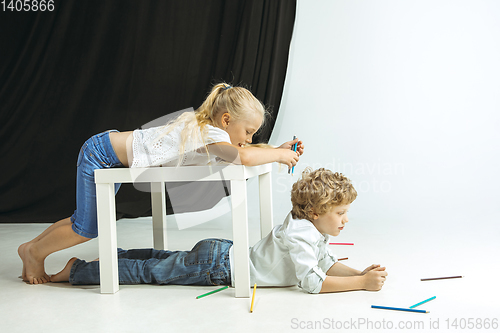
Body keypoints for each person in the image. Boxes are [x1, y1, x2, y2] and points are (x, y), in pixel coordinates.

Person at [18, 83, 305, 285]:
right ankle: (34, 253)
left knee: (81, 220)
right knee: (88, 228)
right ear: (226, 120)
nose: (250, 139)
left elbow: (242, 153)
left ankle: (30, 247)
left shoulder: (213, 134)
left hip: (109, 152)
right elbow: (241, 156)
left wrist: (275, 149)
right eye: (248, 131)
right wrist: (279, 155)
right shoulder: (208, 132)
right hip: (101, 153)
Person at [51, 168, 388, 294]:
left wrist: (359, 271)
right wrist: (360, 284)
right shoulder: (302, 234)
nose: (345, 220)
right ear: (316, 211)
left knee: (162, 259)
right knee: (150, 271)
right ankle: (79, 271)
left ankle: (113, 258)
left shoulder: (309, 226)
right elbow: (311, 282)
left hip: (222, 253)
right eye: (341, 213)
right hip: (220, 267)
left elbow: (325, 262)